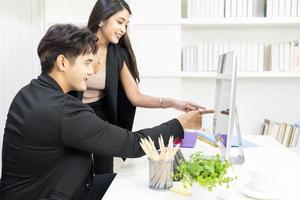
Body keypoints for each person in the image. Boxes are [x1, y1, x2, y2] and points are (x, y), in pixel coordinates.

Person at [0, 24, 213, 200]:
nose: (91, 71)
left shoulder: (28, 92)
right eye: (86, 63)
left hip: (54, 187)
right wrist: (181, 124)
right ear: (63, 62)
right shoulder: (62, 110)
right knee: (142, 188)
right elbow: (132, 144)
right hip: (50, 194)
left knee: (132, 180)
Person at [69, 0, 206, 175]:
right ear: (102, 19)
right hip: (73, 114)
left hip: (102, 118)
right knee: (75, 168)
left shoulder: (118, 54)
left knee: (104, 171)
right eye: (120, 22)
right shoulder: (75, 45)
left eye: (126, 24)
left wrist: (173, 103)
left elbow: (135, 96)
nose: (123, 29)